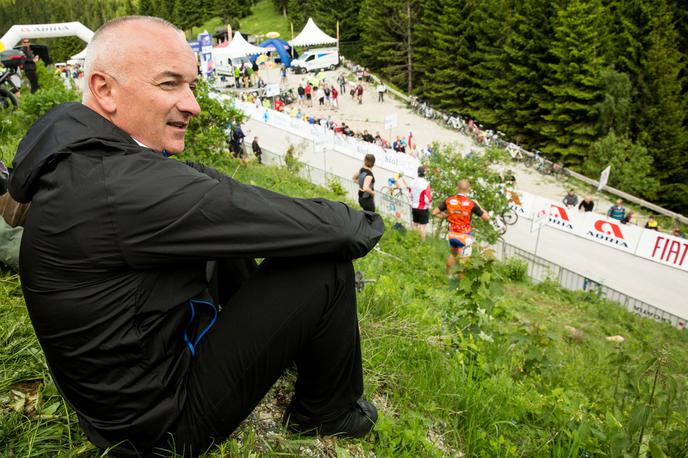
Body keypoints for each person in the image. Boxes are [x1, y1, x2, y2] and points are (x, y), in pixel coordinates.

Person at [8, 16, 383, 456]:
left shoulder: (75, 144)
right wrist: (369, 222)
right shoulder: (122, 188)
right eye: (169, 84)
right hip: (161, 429)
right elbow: (339, 232)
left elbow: (213, 195)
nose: (192, 104)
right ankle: (328, 413)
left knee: (231, 235)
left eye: (190, 84)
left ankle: (291, 345)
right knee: (326, 265)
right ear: (104, 90)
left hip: (115, 399)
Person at [432, 179, 490, 276]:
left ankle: (447, 275)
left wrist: (445, 216)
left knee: (453, 254)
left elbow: (434, 212)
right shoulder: (471, 203)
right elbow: (486, 218)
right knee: (464, 263)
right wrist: (478, 205)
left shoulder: (449, 200)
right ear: (469, 189)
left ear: (457, 188)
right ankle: (460, 286)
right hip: (464, 236)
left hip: (452, 235)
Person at [408, 166, 432, 241]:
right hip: (423, 208)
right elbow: (427, 199)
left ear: (417, 173)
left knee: (415, 224)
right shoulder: (426, 184)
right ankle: (422, 243)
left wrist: (411, 203)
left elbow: (409, 194)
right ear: (425, 174)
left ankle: (413, 240)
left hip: (414, 206)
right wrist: (429, 206)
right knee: (422, 227)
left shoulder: (412, 182)